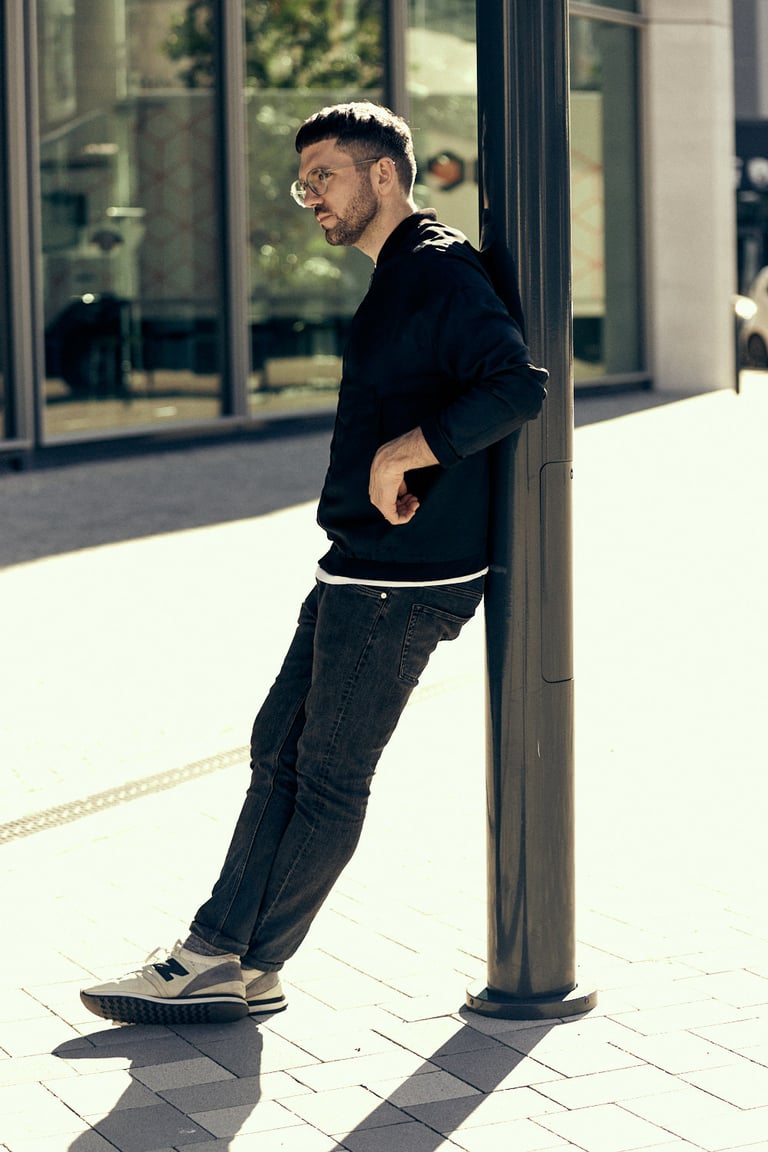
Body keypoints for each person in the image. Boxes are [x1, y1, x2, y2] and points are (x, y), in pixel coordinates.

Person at [81, 101, 548, 1027]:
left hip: (404, 579)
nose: (309, 198)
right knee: (276, 752)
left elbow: (514, 384)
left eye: (324, 176)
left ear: (384, 174)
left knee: (328, 775)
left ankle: (230, 956)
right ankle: (233, 959)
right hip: (362, 564)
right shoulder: (401, 274)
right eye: (303, 183)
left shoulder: (437, 269)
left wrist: (404, 450)